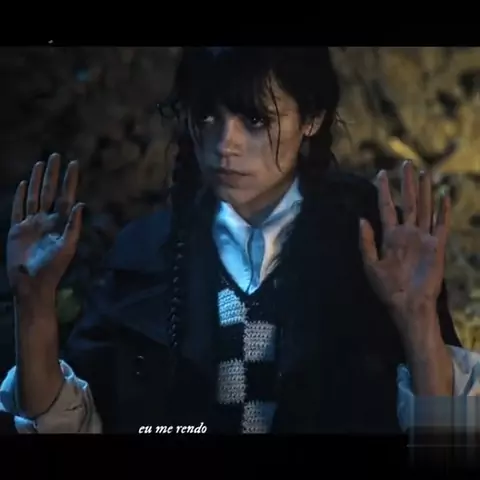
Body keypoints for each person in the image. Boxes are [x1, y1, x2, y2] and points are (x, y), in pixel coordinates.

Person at [1, 46, 479, 434]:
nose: (224, 144)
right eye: (208, 116)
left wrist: (417, 318)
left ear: (311, 119)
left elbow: (444, 441)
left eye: (255, 120)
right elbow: (74, 425)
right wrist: (34, 305)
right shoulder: (145, 254)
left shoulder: (373, 249)